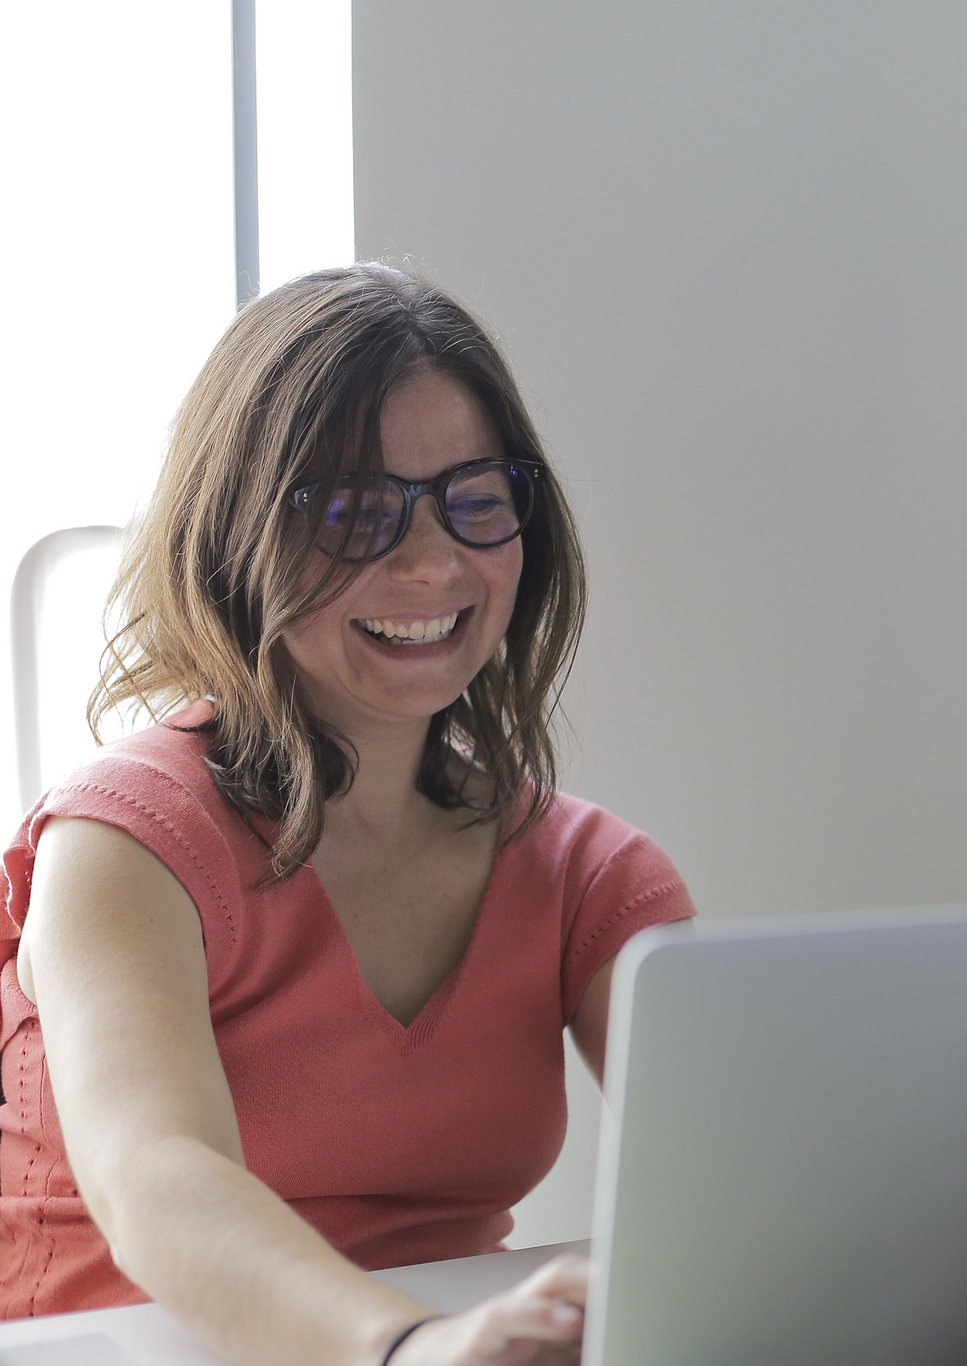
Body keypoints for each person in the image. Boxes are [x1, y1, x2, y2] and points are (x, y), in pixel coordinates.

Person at [0, 264, 694, 1364]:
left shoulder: (590, 874)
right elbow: (157, 1178)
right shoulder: (122, 844)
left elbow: (750, 1178)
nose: (429, 561)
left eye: (475, 499)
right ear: (236, 537)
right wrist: (408, 1347)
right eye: (351, 511)